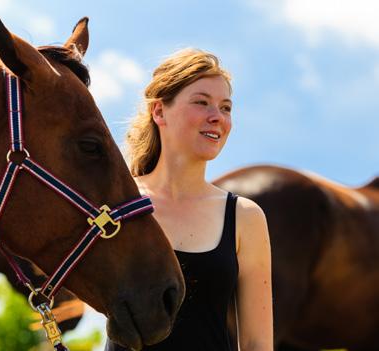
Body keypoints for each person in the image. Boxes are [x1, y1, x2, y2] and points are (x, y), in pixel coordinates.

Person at [105, 48, 273, 351]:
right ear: (159, 111)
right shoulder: (118, 201)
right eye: (202, 102)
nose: (217, 117)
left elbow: (256, 342)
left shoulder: (245, 217)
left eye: (226, 108)